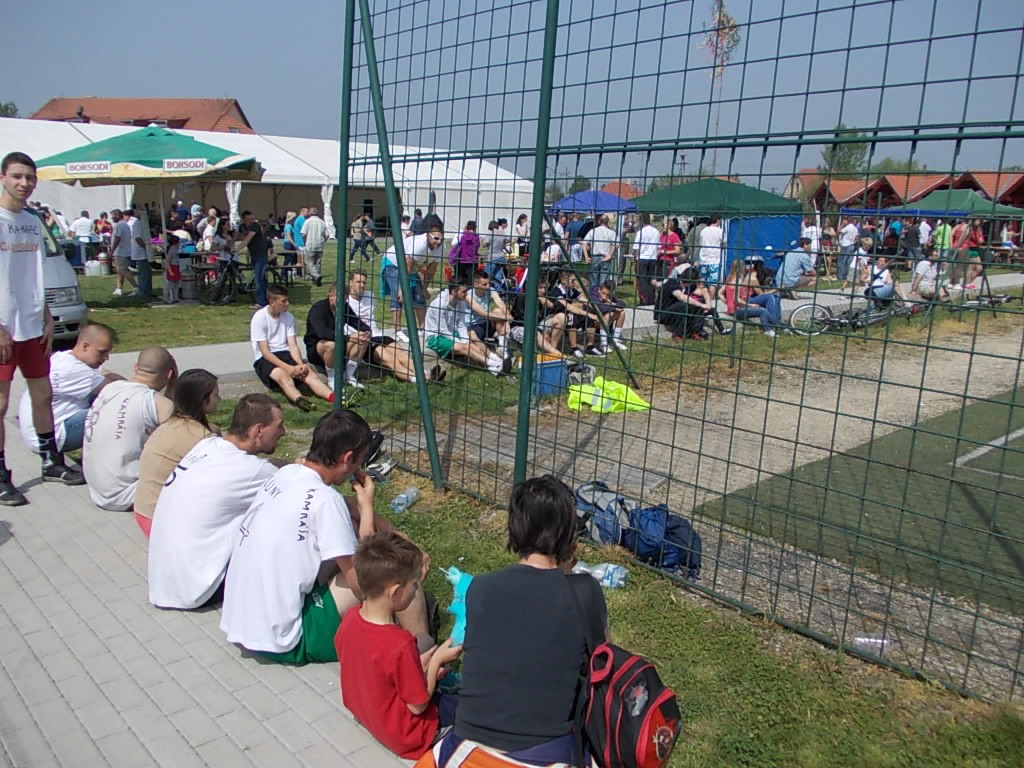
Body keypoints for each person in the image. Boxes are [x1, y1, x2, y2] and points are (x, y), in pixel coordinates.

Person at [221, 409, 433, 664]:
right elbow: (362, 581)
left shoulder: (287, 474)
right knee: (397, 572)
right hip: (286, 638)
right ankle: (421, 654)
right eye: (359, 461)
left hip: (242, 622)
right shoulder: (326, 501)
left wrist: (387, 526)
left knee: (351, 532)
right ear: (348, 458)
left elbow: (345, 506)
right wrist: (368, 513)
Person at [432, 475, 606, 766]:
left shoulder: (479, 588)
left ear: (514, 528)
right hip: (543, 752)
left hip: (468, 745)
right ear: (568, 536)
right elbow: (600, 666)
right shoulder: (584, 592)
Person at [0, 152, 88, 506]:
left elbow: (33, 274)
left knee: (42, 394)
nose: (24, 183)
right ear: (3, 178)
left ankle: (51, 460)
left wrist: (47, 316)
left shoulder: (32, 221)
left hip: (33, 324)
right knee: (1, 403)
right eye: (17, 176)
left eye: (30, 177)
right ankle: (1, 474)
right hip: (4, 327)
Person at [147, 394, 285, 608]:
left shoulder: (206, 446)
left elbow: (263, 468)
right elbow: (300, 488)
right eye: (279, 426)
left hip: (163, 583)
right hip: (198, 590)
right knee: (275, 519)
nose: (283, 433)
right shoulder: (253, 470)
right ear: (259, 430)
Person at [336, 532, 462, 759]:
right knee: (468, 706)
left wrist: (419, 666)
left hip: (370, 714)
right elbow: (417, 705)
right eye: (414, 585)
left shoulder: (350, 618)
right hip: (408, 735)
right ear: (395, 592)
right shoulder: (399, 643)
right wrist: (436, 662)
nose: (416, 591)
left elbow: (374, 670)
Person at [83, 346, 178, 511]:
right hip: (127, 494)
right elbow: (187, 437)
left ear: (135, 367)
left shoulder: (110, 389)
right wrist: (173, 386)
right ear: (169, 375)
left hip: (98, 491)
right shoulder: (156, 403)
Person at [133, 368, 221, 536]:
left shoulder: (171, 424)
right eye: (216, 395)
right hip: (160, 521)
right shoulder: (201, 438)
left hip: (143, 510)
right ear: (203, 400)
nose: (220, 399)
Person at [17, 322, 122, 457]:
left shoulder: (64, 357)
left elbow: (107, 375)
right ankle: (104, 461)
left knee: (105, 399)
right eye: (102, 352)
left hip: (41, 433)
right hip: (54, 436)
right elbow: (119, 390)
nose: (106, 358)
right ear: (85, 346)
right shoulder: (72, 369)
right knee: (117, 410)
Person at [252, 283, 335, 411]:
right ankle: (300, 400)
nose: (287, 304)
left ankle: (333, 397)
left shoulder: (288, 317)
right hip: (265, 358)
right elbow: (265, 352)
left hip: (285, 353)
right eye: (283, 301)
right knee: (283, 377)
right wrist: (288, 368)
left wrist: (300, 364)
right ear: (272, 302)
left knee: (309, 374)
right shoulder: (259, 318)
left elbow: (293, 345)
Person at [346, 271, 424, 384]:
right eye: (358, 282)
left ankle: (424, 373)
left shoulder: (370, 295)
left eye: (364, 282)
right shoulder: (346, 301)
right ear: (350, 283)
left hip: (378, 335)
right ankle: (416, 379)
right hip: (363, 340)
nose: (362, 285)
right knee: (390, 359)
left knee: (401, 354)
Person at [425, 284, 512, 376]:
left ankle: (495, 365)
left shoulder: (461, 302)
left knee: (472, 345)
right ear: (454, 291)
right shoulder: (439, 304)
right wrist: (461, 342)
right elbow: (443, 331)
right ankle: (495, 364)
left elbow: (461, 325)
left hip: (451, 332)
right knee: (466, 348)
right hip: (436, 337)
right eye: (464, 292)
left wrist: (465, 339)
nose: (466, 294)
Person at [721, 259, 782, 337]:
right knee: (763, 311)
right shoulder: (738, 280)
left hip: (731, 309)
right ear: (742, 268)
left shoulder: (729, 278)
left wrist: (727, 302)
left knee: (764, 309)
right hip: (737, 310)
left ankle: (774, 327)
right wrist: (750, 305)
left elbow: (720, 293)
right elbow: (736, 299)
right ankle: (776, 327)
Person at [551, 272, 603, 358]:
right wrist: (589, 314)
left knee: (589, 317)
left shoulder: (571, 291)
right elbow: (569, 307)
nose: (575, 283)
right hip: (555, 317)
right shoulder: (557, 291)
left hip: (566, 315)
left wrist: (597, 310)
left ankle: (590, 346)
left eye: (575, 280)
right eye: (572, 280)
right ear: (563, 281)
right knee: (572, 316)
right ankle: (574, 348)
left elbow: (585, 301)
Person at [509, 281, 567, 356]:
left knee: (562, 317)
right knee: (533, 332)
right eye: (540, 288)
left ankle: (552, 350)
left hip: (539, 324)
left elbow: (563, 308)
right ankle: (557, 354)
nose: (543, 291)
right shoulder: (522, 297)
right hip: (521, 327)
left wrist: (551, 305)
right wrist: (541, 331)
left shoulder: (546, 295)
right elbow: (523, 320)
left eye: (545, 288)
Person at [466, 270, 512, 356]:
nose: (488, 286)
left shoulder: (490, 290)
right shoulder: (468, 295)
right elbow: (482, 313)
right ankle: (493, 353)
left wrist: (507, 315)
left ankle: (502, 346)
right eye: (484, 284)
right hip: (474, 325)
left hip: (486, 323)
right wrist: (507, 317)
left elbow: (501, 304)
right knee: (500, 315)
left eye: (489, 283)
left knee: (498, 311)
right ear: (476, 284)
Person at [238, 210, 270, 307]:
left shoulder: (255, 226)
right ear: (243, 220)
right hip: (254, 255)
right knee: (260, 279)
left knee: (259, 279)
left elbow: (248, 239)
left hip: (261, 255)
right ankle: (265, 300)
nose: (251, 221)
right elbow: (238, 236)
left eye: (252, 219)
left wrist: (237, 248)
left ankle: (261, 302)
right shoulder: (243, 227)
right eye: (248, 219)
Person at [588, 281, 629, 352]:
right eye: (603, 293)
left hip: (603, 321)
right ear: (599, 290)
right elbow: (602, 308)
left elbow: (623, 304)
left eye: (608, 295)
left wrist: (610, 302)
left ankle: (615, 341)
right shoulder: (593, 294)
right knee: (607, 314)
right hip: (592, 321)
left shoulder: (609, 294)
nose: (605, 296)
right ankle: (603, 344)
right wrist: (615, 308)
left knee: (622, 313)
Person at [632, 213, 661, 305]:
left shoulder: (640, 232)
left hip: (642, 258)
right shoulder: (656, 232)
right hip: (652, 258)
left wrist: (635, 259)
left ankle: (644, 300)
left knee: (643, 281)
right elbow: (658, 247)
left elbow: (635, 248)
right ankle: (651, 299)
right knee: (651, 280)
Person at [126, 204, 154, 299]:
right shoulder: (137, 223)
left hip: (143, 253)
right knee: (143, 273)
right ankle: (143, 292)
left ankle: (147, 290)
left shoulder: (142, 223)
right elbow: (138, 238)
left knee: (147, 273)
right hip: (140, 253)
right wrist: (146, 247)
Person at [583, 214, 618, 289]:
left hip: (595, 257)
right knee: (604, 280)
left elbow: (584, 243)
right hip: (605, 257)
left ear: (599, 221)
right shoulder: (612, 232)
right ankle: (602, 293)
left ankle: (594, 293)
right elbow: (616, 244)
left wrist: (586, 256)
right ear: (607, 222)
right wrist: (610, 255)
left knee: (593, 279)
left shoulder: (592, 231)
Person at [109, 208, 138, 296]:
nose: (112, 218)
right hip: (125, 251)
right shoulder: (125, 224)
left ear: (118, 215)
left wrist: (112, 250)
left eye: (113, 216)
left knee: (123, 270)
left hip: (120, 251)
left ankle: (136, 287)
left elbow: (117, 238)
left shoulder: (119, 225)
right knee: (119, 271)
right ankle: (119, 288)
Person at [697, 214, 726, 300]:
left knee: (702, 281)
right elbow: (724, 244)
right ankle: (711, 300)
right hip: (714, 260)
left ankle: (701, 298)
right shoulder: (720, 231)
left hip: (703, 259)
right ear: (717, 220)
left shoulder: (704, 231)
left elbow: (700, 243)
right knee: (713, 283)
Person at [301, 207, 328, 287]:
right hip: (319, 245)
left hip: (310, 244)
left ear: (310, 213)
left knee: (309, 262)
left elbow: (303, 234)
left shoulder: (307, 222)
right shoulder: (322, 222)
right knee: (317, 263)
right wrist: (323, 241)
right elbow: (327, 235)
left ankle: (316, 275)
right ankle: (316, 280)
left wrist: (304, 242)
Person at [449, 221, 480, 287]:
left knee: (460, 279)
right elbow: (477, 246)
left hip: (461, 260)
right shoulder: (476, 236)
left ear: (467, 226)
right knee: (470, 279)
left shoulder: (462, 235)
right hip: (472, 260)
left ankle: (459, 290)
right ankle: (470, 290)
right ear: (475, 228)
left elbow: (454, 244)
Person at [281, 211, 302, 277]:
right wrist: (294, 244)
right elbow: (289, 237)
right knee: (288, 259)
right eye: (294, 217)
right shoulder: (288, 226)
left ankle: (295, 272)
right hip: (289, 244)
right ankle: (283, 273)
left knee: (293, 259)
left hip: (289, 243)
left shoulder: (289, 225)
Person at [163, 233, 181, 304]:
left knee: (176, 283)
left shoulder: (176, 249)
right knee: (170, 285)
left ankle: (175, 297)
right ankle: (167, 298)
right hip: (172, 267)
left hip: (176, 266)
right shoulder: (171, 250)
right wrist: (170, 271)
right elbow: (167, 261)